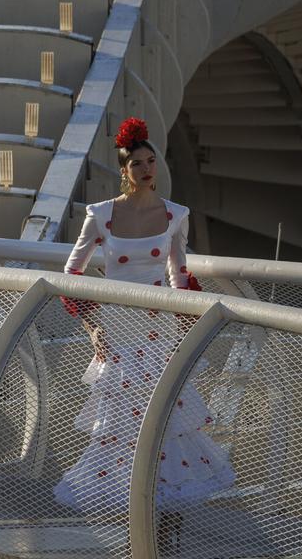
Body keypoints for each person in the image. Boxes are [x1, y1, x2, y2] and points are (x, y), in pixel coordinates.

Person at [57, 117, 234, 551]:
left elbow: (180, 276)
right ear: (124, 170)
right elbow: (71, 274)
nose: (146, 169)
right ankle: (138, 533)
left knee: (168, 426)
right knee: (124, 430)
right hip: (118, 335)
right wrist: (93, 327)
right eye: (137, 163)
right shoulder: (101, 214)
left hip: (160, 333)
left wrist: (186, 327)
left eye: (151, 161)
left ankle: (166, 534)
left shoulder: (175, 214)